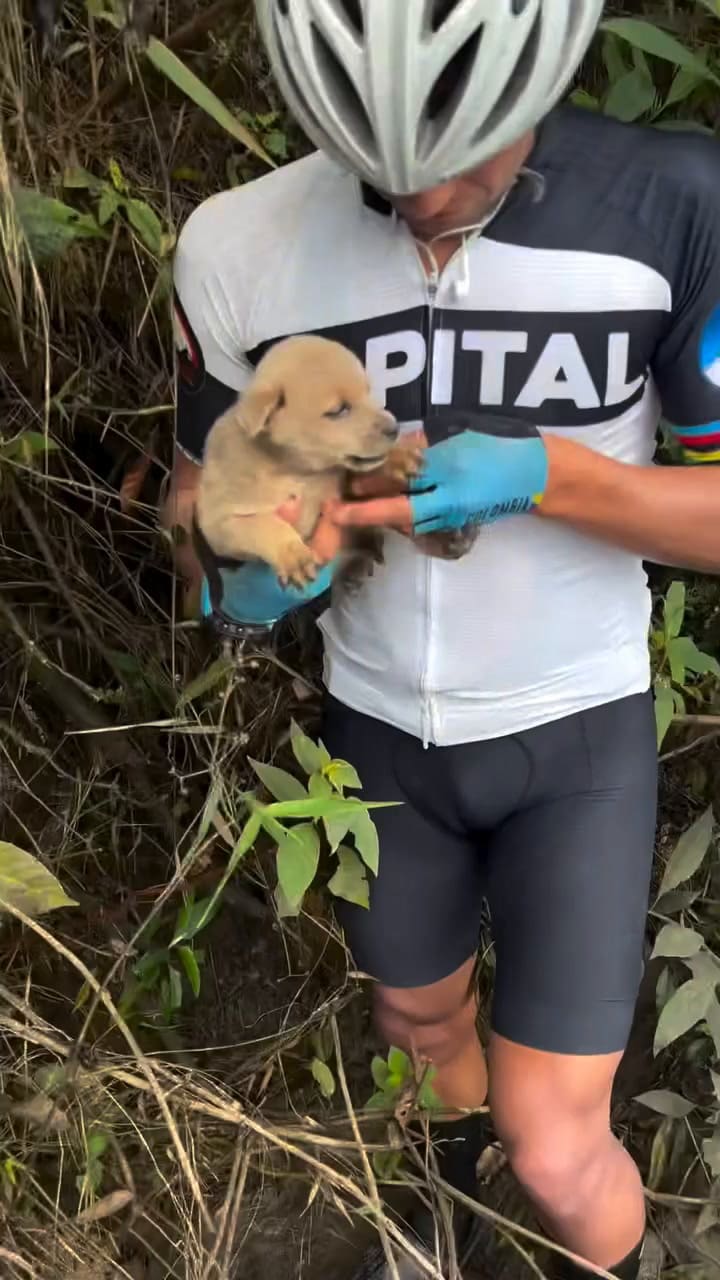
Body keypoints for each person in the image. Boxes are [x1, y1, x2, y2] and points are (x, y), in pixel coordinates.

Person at [163, 2, 720, 1276]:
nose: (424, 199)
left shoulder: (675, 203)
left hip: (573, 726)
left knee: (557, 1142)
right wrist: (242, 556)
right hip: (375, 730)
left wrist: (544, 474)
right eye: (382, 162)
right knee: (417, 1023)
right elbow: (189, 503)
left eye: (469, 153)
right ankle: (444, 1215)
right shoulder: (237, 243)